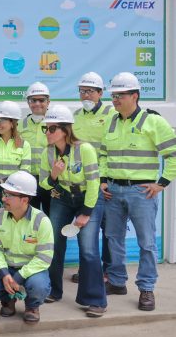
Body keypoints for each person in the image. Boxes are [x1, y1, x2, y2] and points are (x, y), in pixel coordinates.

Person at [99, 72, 176, 311]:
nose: (116, 99)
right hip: (112, 189)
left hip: (141, 192)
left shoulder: (153, 121)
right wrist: (102, 179)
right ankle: (117, 281)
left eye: (121, 95)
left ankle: (146, 289)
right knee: (113, 238)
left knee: (146, 243)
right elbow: (103, 153)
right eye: (114, 95)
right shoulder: (111, 120)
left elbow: (172, 155)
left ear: (135, 95)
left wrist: (161, 183)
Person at [39, 105, 106, 316]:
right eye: (46, 129)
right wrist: (54, 176)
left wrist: (86, 212)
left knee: (88, 249)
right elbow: (44, 184)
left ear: (65, 130)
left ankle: (95, 300)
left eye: (52, 129)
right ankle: (53, 290)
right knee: (54, 244)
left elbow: (94, 183)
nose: (48, 133)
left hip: (89, 198)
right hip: (63, 198)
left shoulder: (84, 149)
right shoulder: (47, 153)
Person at [0, 171, 53, 324]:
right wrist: (4, 274)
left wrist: (19, 276)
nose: (3, 198)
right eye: (5, 193)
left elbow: (44, 258)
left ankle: (32, 306)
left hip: (30, 269)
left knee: (39, 286)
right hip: (5, 267)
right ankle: (7, 299)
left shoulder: (41, 221)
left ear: (24, 200)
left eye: (9, 195)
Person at [72, 71, 114, 284]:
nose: (85, 95)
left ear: (100, 92)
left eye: (90, 91)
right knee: (86, 232)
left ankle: (108, 272)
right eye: (82, 91)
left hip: (104, 184)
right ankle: (86, 270)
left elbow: (110, 150)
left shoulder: (112, 114)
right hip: (83, 184)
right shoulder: (76, 116)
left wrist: (104, 179)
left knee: (108, 231)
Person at [0, 101, 31, 218]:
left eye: (2, 120)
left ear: (12, 123)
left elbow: (24, 172)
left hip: (15, 195)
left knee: (15, 226)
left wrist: (4, 185)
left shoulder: (24, 145)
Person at [19, 81, 52, 214]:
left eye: (41, 100)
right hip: (29, 181)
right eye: (33, 100)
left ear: (48, 102)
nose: (37, 103)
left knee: (53, 222)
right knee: (30, 221)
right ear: (28, 102)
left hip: (51, 180)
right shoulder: (20, 125)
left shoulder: (56, 123)